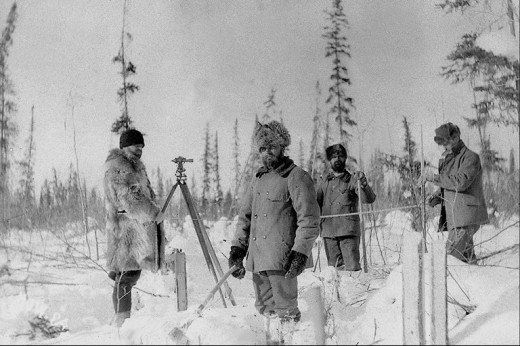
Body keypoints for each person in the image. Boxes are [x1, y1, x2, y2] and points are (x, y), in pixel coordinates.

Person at [228, 120, 320, 336]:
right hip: (259, 260)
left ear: (282, 147)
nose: (266, 153)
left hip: (282, 260)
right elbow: (245, 217)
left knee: (286, 313)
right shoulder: (258, 179)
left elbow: (309, 219)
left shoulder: (296, 176)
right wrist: (237, 249)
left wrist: (300, 253)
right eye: (261, 148)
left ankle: (289, 339)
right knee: (265, 311)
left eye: (271, 147)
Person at [103, 128, 163, 327]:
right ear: (124, 146)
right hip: (126, 231)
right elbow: (130, 199)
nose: (139, 149)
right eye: (135, 145)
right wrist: (153, 212)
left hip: (129, 227)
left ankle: (122, 320)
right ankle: (122, 322)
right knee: (128, 275)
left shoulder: (132, 165)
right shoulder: (120, 166)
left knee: (126, 275)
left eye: (141, 146)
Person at [420, 122, 488, 263]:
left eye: (445, 142)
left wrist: (433, 177)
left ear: (455, 137)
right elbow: (449, 183)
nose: (443, 146)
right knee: (466, 262)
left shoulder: (470, 157)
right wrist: (438, 197)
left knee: (448, 262)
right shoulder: (450, 159)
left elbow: (460, 182)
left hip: (465, 218)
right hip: (456, 217)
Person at [316, 144, 376, 271]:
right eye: (333, 156)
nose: (337, 159)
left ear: (345, 158)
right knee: (334, 273)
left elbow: (369, 199)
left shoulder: (353, 180)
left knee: (352, 271)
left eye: (341, 156)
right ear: (329, 160)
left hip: (348, 232)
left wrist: (363, 183)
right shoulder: (323, 182)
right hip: (329, 233)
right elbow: (314, 204)